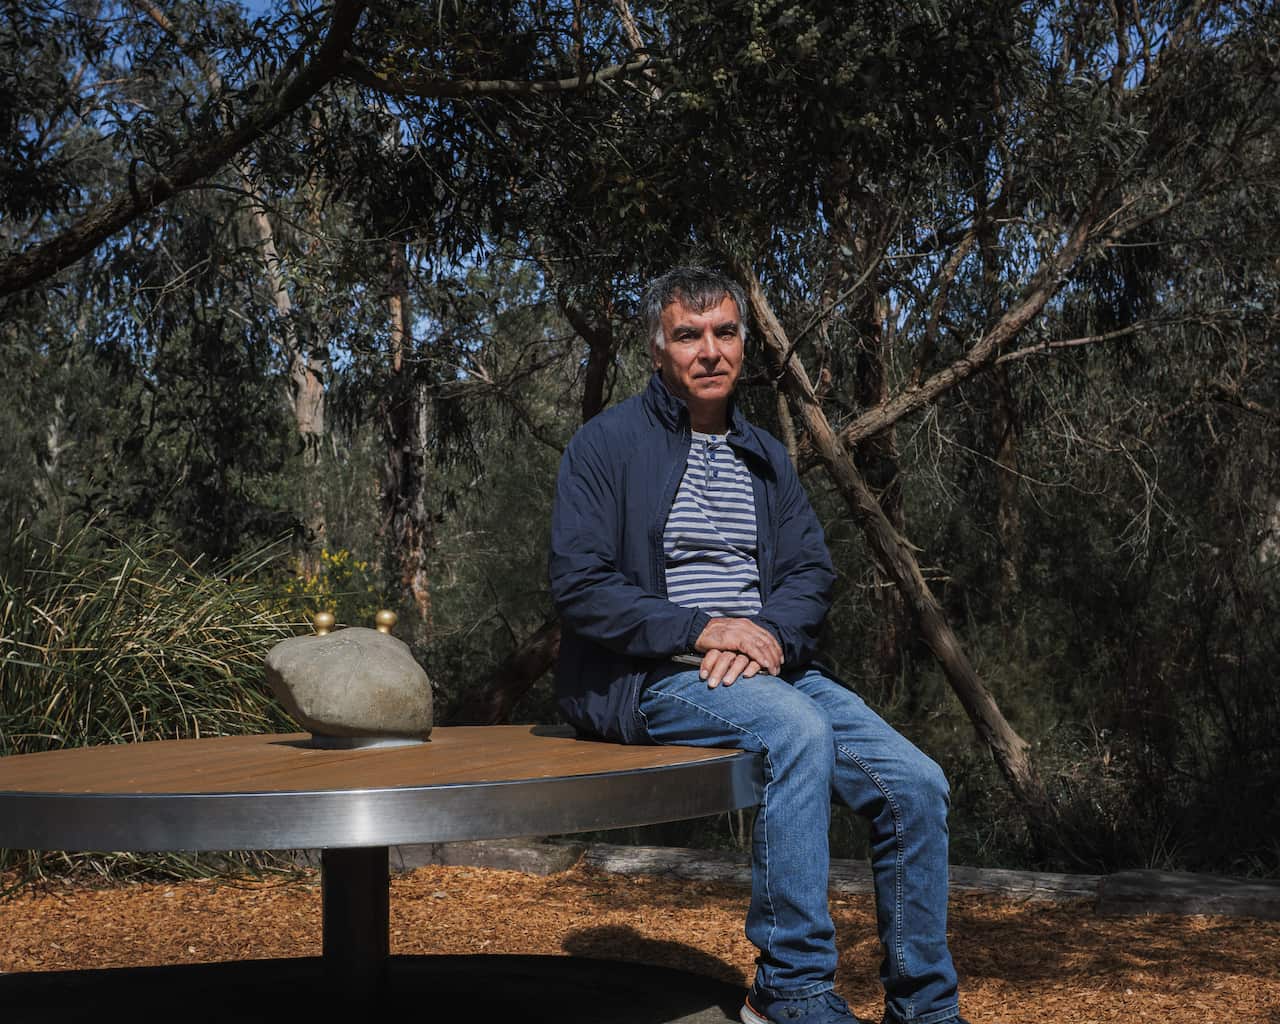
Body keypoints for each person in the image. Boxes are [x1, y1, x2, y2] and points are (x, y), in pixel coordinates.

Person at [548, 266, 969, 1024]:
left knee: (916, 783)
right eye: (688, 335)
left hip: (770, 667)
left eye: (725, 332)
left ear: (744, 343)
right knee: (795, 730)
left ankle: (927, 1008)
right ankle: (790, 990)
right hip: (653, 673)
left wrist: (768, 633)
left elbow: (811, 572)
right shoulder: (605, 445)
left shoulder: (766, 455)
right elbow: (580, 585)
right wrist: (702, 628)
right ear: (657, 349)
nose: (710, 351)